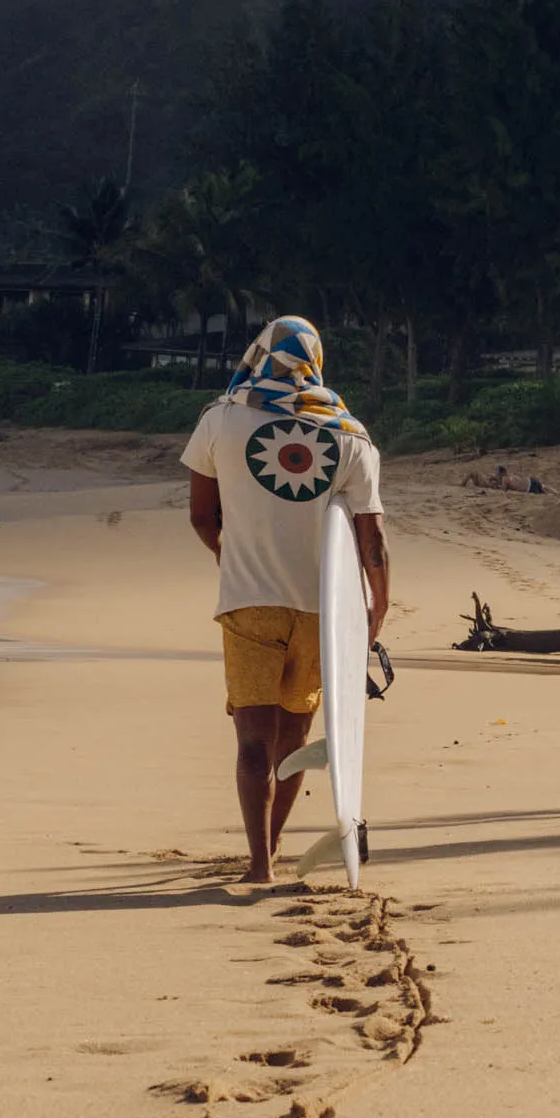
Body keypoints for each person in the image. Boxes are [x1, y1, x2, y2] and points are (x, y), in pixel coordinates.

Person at [183, 315, 389, 887]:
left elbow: (202, 515)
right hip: (322, 613)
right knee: (296, 738)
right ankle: (272, 844)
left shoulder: (220, 420)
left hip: (250, 606)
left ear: (258, 356)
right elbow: (370, 540)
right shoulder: (352, 436)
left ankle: (258, 867)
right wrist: (376, 609)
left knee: (253, 739)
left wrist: (230, 556)